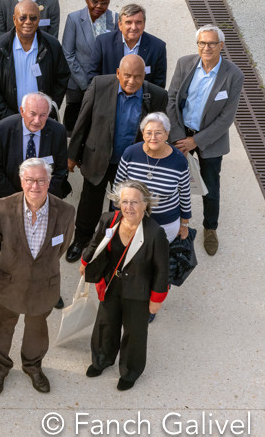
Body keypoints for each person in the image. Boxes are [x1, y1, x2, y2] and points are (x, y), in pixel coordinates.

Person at [66, 54, 168, 262]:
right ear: (118, 73)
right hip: (98, 157)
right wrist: (72, 155)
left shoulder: (157, 96)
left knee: (125, 206)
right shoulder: (99, 85)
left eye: (137, 77)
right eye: (127, 76)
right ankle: (81, 239)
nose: (132, 81)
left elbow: (159, 133)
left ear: (144, 76)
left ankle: (114, 244)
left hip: (131, 166)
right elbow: (83, 121)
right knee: (89, 203)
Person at [0, 158, 74, 395]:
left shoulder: (66, 212)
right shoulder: (3, 207)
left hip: (44, 284)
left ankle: (33, 366)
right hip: (9, 282)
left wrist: (40, 267)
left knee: (37, 331)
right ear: (21, 181)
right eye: (30, 180)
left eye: (41, 180)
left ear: (49, 181)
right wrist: (12, 264)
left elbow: (62, 246)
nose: (35, 186)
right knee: (1, 327)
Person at [81, 180, 170, 391]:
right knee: (105, 324)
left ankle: (130, 371)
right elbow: (95, 242)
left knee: (134, 332)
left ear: (145, 204)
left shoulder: (155, 233)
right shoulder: (109, 220)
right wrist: (85, 262)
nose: (129, 207)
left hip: (139, 291)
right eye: (124, 202)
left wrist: (156, 300)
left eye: (134, 202)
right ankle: (101, 360)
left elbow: (162, 270)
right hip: (111, 285)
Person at [166, 24, 245, 256]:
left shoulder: (233, 75)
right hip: (181, 133)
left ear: (221, 45)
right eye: (202, 43)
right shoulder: (185, 64)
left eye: (212, 43)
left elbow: (226, 118)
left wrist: (196, 141)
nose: (206, 48)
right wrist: (179, 138)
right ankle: (171, 222)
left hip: (210, 139)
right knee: (172, 180)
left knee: (210, 186)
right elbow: (171, 100)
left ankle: (210, 228)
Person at [0, 0, 69, 124]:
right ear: (14, 19)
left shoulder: (52, 46)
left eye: (33, 18)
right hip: (7, 121)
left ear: (39, 19)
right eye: (23, 18)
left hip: (41, 121)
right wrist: (7, 117)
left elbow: (62, 78)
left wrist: (49, 110)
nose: (28, 22)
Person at [0, 92, 69, 213]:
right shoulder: (2, 130)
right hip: (7, 197)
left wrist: (40, 197)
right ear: (22, 111)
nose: (37, 120)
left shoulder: (58, 131)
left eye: (43, 115)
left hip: (45, 199)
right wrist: (18, 200)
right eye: (32, 114)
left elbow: (61, 170)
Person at [116, 113, 191, 242]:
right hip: (133, 219)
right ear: (142, 134)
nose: (153, 137)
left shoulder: (179, 160)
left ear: (167, 134)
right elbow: (118, 188)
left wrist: (184, 224)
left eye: (158, 133)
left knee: (159, 253)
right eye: (148, 133)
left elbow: (185, 195)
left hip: (165, 224)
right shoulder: (130, 153)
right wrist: (119, 217)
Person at [61, 0, 114, 130]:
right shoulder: (74, 18)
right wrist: (86, 84)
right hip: (77, 84)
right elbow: (68, 54)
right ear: (87, 0)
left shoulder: (114, 19)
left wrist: (100, 83)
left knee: (97, 126)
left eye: (104, 3)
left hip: (103, 85)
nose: (99, 6)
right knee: (73, 126)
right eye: (95, 1)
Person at [88, 2, 169, 89]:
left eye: (138, 22)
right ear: (120, 25)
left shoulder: (157, 47)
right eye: (128, 22)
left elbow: (158, 85)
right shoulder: (103, 42)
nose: (133, 27)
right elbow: (93, 77)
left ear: (144, 24)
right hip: (109, 95)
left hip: (142, 96)